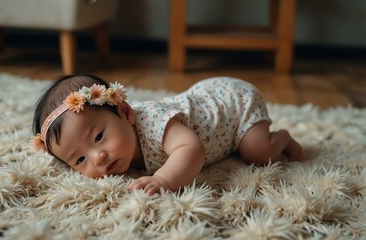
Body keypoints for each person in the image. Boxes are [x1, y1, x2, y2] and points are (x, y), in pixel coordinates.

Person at [32, 74, 302, 195]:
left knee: (256, 153)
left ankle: (282, 137)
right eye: (79, 160)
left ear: (126, 114)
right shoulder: (120, 145)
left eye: (99, 137)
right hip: (206, 94)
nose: (98, 158)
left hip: (231, 103)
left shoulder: (153, 123)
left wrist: (162, 179)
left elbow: (192, 149)